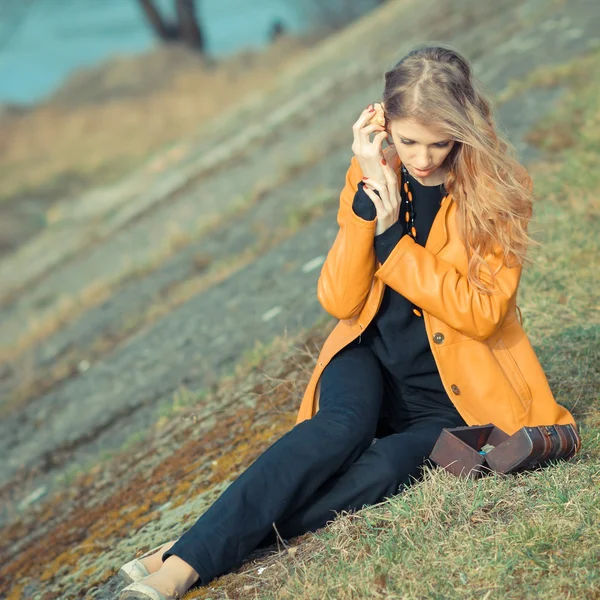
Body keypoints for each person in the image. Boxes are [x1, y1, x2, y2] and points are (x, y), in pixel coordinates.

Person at [117, 44, 577, 599]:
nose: (424, 158)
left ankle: (191, 544)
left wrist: (393, 241)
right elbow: (339, 299)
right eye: (409, 141)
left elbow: (479, 315)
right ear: (382, 125)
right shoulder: (371, 174)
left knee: (380, 473)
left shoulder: (502, 192)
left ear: (464, 126)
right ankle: (180, 571)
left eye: (440, 141)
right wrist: (366, 207)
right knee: (338, 430)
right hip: (368, 356)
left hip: (452, 398)